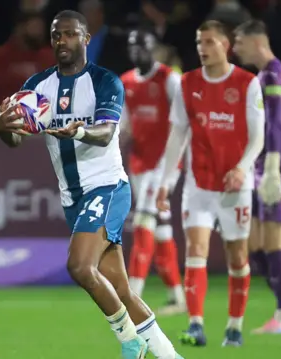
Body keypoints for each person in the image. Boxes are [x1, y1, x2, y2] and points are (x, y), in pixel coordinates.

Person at [0, 10, 183, 359]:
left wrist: (78, 130)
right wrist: (2, 126)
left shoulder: (106, 81)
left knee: (79, 266)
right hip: (73, 198)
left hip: (108, 187)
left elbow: (107, 131)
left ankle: (130, 342)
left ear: (86, 38)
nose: (62, 41)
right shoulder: (37, 87)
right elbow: (16, 139)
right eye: (56, 36)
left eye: (70, 34)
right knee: (121, 290)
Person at [156, 20, 265, 347]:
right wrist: (166, 181)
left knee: (236, 256)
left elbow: (258, 136)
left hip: (235, 188)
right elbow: (177, 135)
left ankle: (234, 326)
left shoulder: (248, 83)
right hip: (198, 185)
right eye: (198, 41)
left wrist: (243, 169)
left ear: (225, 45)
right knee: (196, 250)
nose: (202, 48)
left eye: (208, 42)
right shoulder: (187, 84)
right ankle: (196, 324)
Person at [232, 19, 281, 334]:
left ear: (256, 41)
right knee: (254, 246)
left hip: (280, 169)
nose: (235, 49)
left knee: (274, 242)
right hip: (262, 169)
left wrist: (273, 168)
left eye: (239, 42)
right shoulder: (263, 76)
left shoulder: (274, 75)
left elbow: (275, 123)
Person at [119, 28, 185, 316]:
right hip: (138, 164)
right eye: (134, 48)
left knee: (144, 220)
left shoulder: (170, 79)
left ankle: (132, 296)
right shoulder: (126, 82)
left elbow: (185, 121)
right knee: (161, 228)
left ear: (153, 48)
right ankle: (177, 297)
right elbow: (123, 125)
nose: (138, 54)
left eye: (143, 47)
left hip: (164, 164)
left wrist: (175, 165)